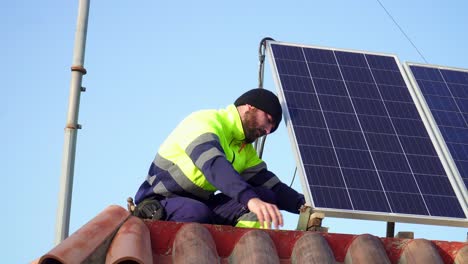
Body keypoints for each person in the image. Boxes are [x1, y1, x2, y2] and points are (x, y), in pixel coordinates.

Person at [133, 88, 305, 229]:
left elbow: (272, 185)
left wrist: (304, 205)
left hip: (203, 204)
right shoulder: (205, 121)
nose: (267, 131)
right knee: (198, 212)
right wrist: (250, 200)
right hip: (162, 200)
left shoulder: (245, 150)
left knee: (265, 198)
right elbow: (214, 165)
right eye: (268, 120)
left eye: (272, 128)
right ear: (250, 107)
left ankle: (243, 250)